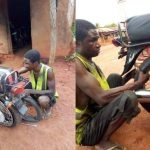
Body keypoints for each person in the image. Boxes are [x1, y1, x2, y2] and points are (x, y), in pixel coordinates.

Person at [75, 19, 149, 150]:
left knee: (114, 78)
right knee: (129, 98)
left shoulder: (88, 60)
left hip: (94, 108)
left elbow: (99, 91)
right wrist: (137, 83)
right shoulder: (76, 64)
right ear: (77, 43)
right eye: (92, 40)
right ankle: (102, 141)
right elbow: (102, 98)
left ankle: (110, 120)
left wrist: (130, 76)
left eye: (97, 40)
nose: (98, 45)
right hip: (85, 130)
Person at [18, 49, 57, 117]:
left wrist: (30, 91)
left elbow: (52, 91)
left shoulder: (48, 71)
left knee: (42, 101)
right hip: (35, 90)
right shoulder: (30, 67)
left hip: (46, 93)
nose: (25, 65)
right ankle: (32, 101)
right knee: (18, 88)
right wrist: (14, 74)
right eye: (24, 63)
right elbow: (20, 71)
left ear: (35, 63)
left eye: (27, 63)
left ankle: (47, 109)